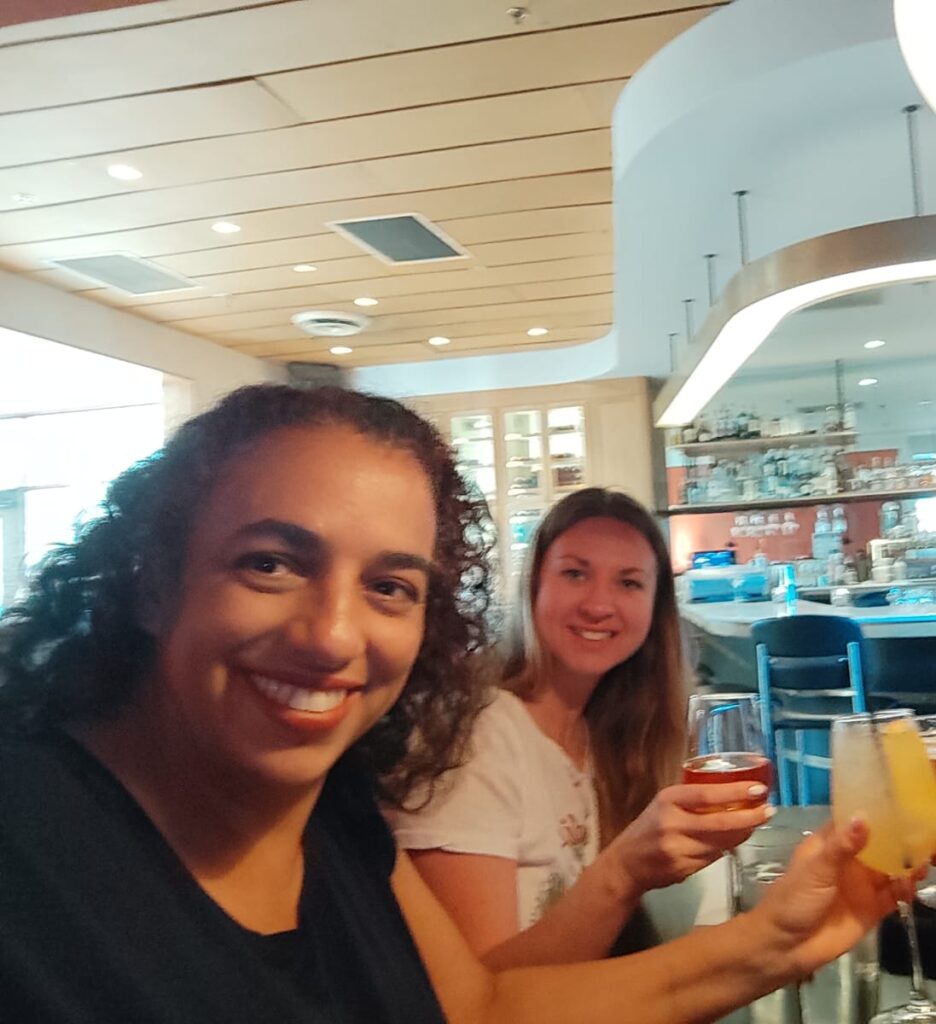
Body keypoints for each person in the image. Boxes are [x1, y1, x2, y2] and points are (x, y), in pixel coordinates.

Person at [0, 384, 893, 1024]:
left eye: (390, 586)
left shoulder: (333, 810)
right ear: (155, 579)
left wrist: (786, 938)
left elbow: (484, 1006)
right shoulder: (33, 849)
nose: (333, 636)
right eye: (270, 563)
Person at [388, 488, 772, 966]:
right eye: (575, 574)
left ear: (655, 610)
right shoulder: (476, 733)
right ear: (534, 587)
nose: (598, 605)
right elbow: (478, 1000)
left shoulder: (600, 736)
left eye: (629, 583)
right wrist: (626, 872)